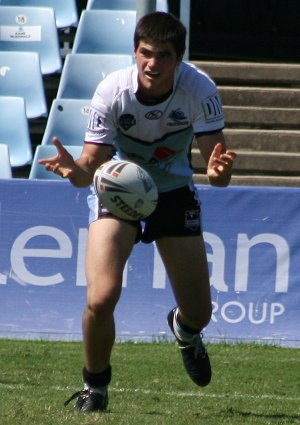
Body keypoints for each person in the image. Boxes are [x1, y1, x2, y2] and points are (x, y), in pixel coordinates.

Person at [39, 11, 236, 413]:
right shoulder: (112, 91)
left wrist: (219, 173)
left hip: (174, 191)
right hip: (117, 192)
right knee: (101, 297)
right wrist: (74, 171)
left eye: (163, 55)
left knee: (201, 312)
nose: (152, 63)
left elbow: (217, 174)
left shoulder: (200, 90)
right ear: (134, 52)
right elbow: (88, 168)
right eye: (145, 53)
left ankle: (184, 328)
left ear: (177, 59)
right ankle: (95, 388)